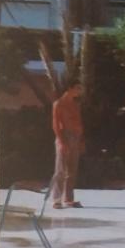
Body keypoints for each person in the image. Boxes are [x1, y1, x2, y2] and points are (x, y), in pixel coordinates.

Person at [49, 80, 85, 209]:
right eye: (78, 88)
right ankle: (56, 199)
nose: (80, 91)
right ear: (70, 88)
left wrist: (81, 140)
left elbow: (79, 122)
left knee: (72, 169)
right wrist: (61, 141)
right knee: (60, 169)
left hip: (76, 136)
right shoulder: (59, 104)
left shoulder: (76, 104)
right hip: (64, 135)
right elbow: (55, 124)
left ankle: (68, 199)